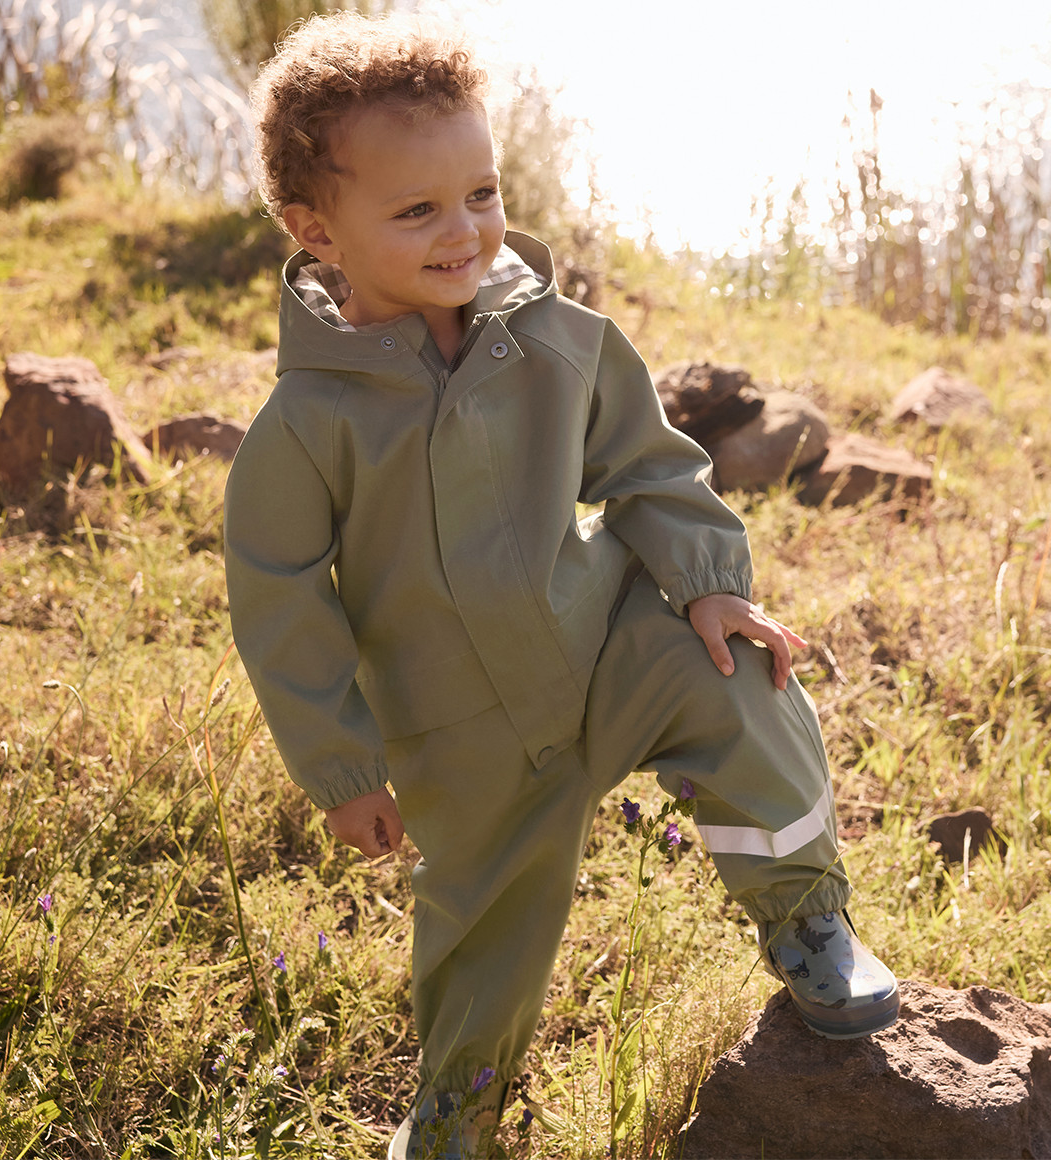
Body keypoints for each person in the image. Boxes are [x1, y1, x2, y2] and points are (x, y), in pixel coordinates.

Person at [223, 12, 899, 1158]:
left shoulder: (549, 337)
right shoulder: (306, 425)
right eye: (417, 209)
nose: (466, 230)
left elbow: (643, 458)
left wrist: (703, 581)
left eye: (481, 192)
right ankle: (455, 1110)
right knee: (482, 937)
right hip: (462, 735)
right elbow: (280, 598)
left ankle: (806, 918)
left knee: (739, 677)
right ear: (315, 231)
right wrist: (342, 767)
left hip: (600, 653)